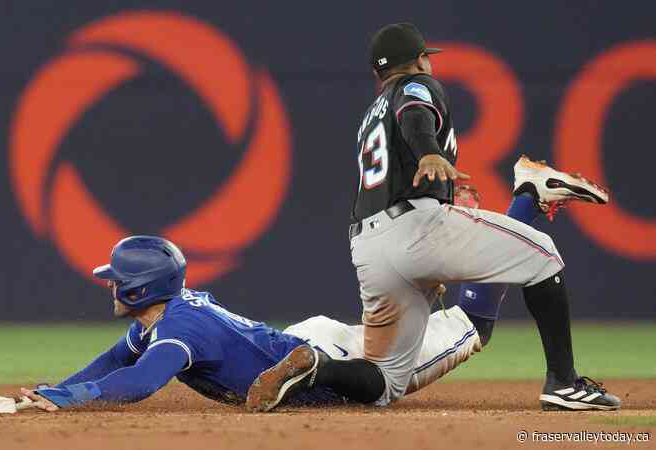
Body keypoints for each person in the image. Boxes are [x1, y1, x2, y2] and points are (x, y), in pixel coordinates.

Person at [244, 23, 621, 413]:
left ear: (378, 72)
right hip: (417, 227)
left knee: (385, 380)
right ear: (419, 60)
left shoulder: (368, 118)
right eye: (426, 57)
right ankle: (563, 382)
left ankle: (318, 371)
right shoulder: (414, 85)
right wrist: (428, 151)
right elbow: (415, 112)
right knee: (543, 254)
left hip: (369, 247)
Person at [19, 235, 479, 412]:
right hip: (302, 342)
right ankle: (417, 291)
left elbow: (141, 380)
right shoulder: (165, 313)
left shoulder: (178, 331)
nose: (109, 285)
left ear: (140, 290)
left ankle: (524, 202)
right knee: (404, 325)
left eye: (117, 280)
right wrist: (58, 390)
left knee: (473, 328)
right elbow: (118, 357)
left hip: (333, 363)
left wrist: (69, 398)